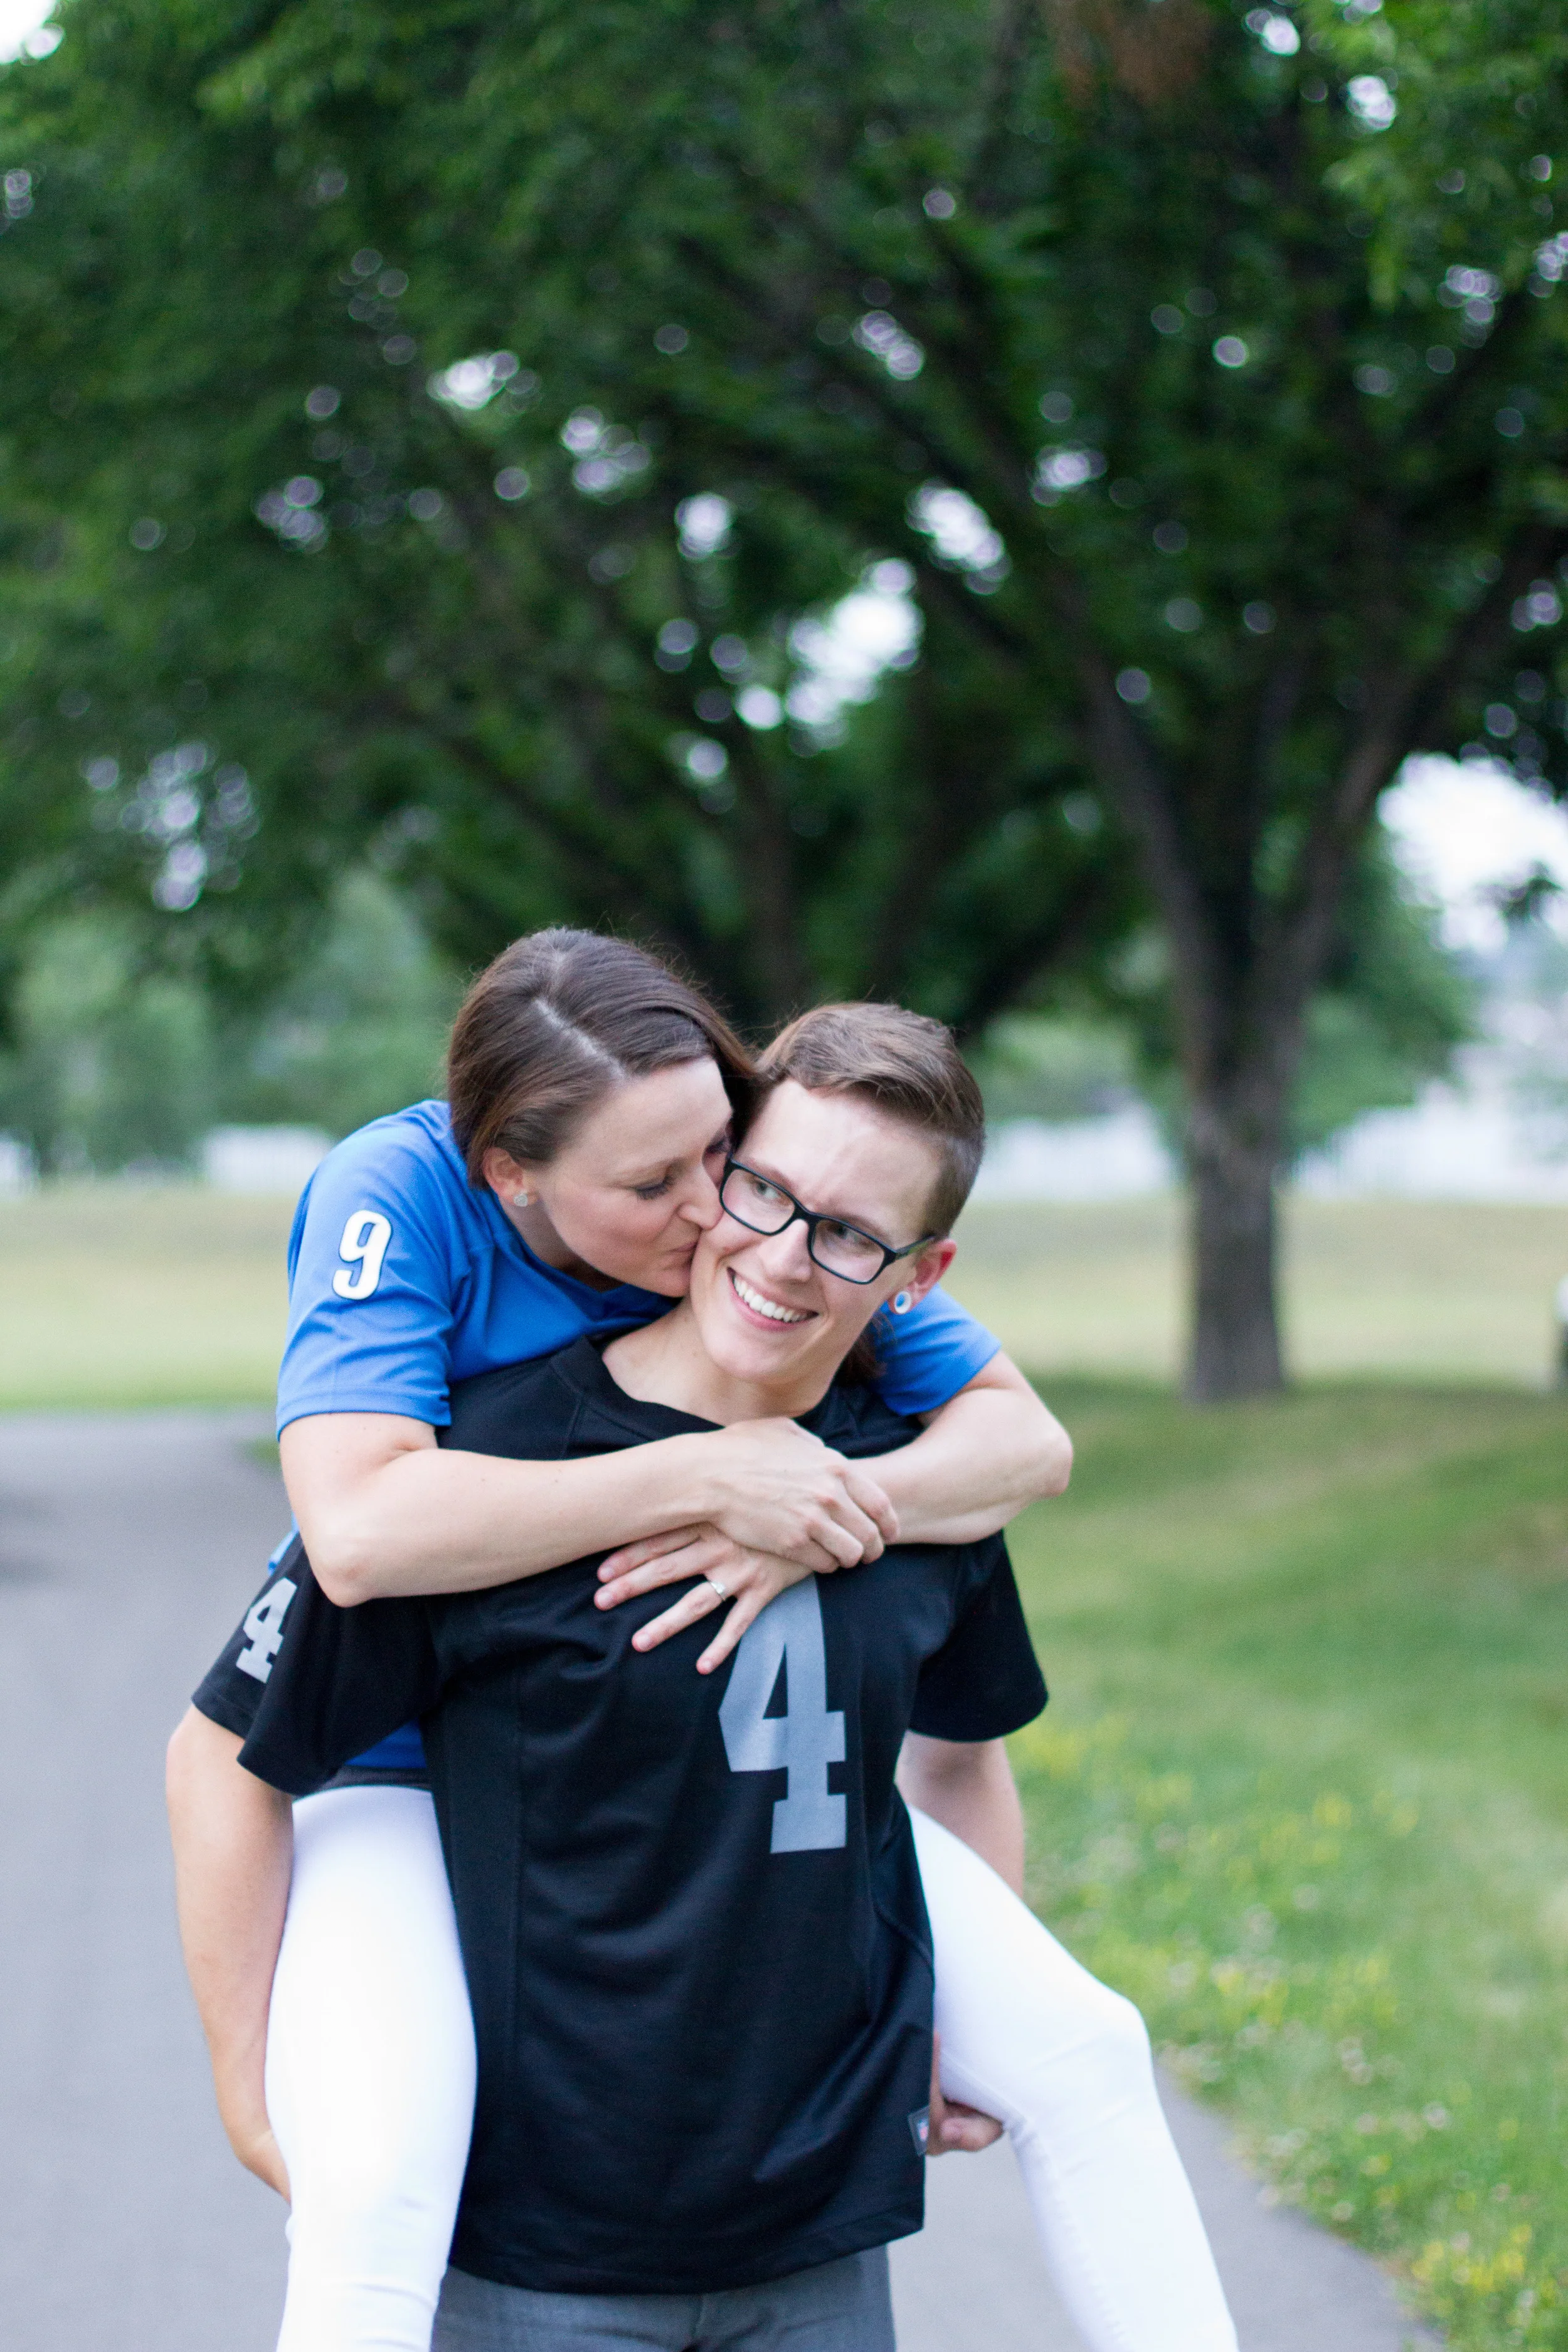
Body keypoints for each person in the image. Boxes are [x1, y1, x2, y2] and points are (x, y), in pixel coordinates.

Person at [172, 1003, 1237, 2352]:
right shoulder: (417, 1201)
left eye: (835, 1225)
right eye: (723, 1188)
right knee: (375, 2186)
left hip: (721, 1793)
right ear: (518, 1171)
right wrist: (704, 1477)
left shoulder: (837, 1319)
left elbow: (1022, 1461)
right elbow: (350, 1548)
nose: (723, 1227)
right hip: (396, 1762)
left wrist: (837, 1500)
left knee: (1089, 2053)